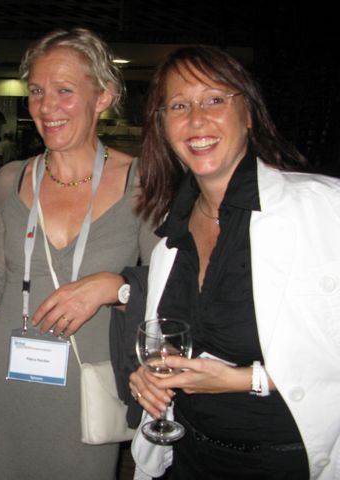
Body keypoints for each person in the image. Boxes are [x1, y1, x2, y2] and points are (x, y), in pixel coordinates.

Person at [39, 44, 340, 479]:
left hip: (287, 460)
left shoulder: (322, 210)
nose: (196, 119)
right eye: (179, 106)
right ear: (163, 126)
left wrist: (244, 379)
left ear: (249, 113)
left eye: (214, 99)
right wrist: (149, 377)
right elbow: (177, 342)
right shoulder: (171, 235)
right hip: (187, 457)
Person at [0, 28, 157, 480]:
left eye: (64, 90)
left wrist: (113, 286)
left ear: (103, 96)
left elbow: (168, 293)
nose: (46, 107)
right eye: (36, 91)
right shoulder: (12, 179)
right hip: (5, 383)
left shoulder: (145, 182)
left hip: (87, 390)